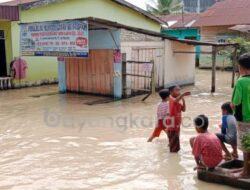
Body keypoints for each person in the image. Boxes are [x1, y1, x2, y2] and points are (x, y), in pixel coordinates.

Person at [231, 53, 250, 177]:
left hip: (244, 118)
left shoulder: (241, 81)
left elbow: (236, 102)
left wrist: (232, 105)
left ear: (240, 67)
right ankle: (246, 169)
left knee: (246, 146)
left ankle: (245, 172)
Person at [166, 85, 190, 152]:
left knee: (176, 143)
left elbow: (184, 109)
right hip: (172, 124)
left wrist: (183, 100)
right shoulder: (170, 98)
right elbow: (175, 100)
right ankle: (172, 158)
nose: (178, 92)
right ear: (171, 92)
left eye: (179, 90)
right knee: (174, 147)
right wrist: (183, 95)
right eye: (177, 90)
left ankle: (174, 157)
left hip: (177, 124)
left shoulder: (178, 100)